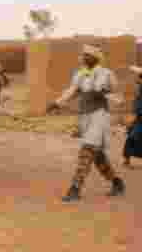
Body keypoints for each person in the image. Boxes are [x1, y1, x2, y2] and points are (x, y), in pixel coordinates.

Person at [46, 44, 127, 201]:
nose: (83, 57)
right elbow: (72, 91)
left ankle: (75, 188)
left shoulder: (106, 74)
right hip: (85, 117)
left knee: (87, 150)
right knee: (97, 156)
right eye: (83, 55)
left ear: (95, 58)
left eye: (86, 55)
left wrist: (103, 89)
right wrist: (57, 103)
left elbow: (113, 92)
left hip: (99, 116)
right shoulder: (80, 74)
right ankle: (117, 182)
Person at [123, 65, 142, 169]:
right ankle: (126, 160)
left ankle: (126, 160)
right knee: (133, 137)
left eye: (138, 78)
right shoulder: (139, 89)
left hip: (139, 116)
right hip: (139, 117)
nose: (136, 80)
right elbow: (136, 105)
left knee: (134, 137)